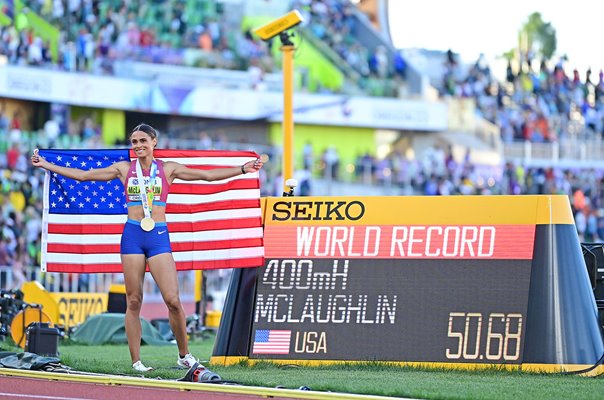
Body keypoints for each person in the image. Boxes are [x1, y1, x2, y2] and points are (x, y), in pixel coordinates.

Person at [31, 123, 264, 372]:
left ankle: (184, 355)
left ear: (154, 142)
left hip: (158, 236)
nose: (139, 145)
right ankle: (136, 362)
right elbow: (85, 176)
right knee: (133, 300)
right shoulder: (123, 169)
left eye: (143, 140)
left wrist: (242, 169)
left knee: (173, 300)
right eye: (134, 142)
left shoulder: (168, 169)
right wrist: (46, 164)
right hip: (132, 235)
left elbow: (206, 176)